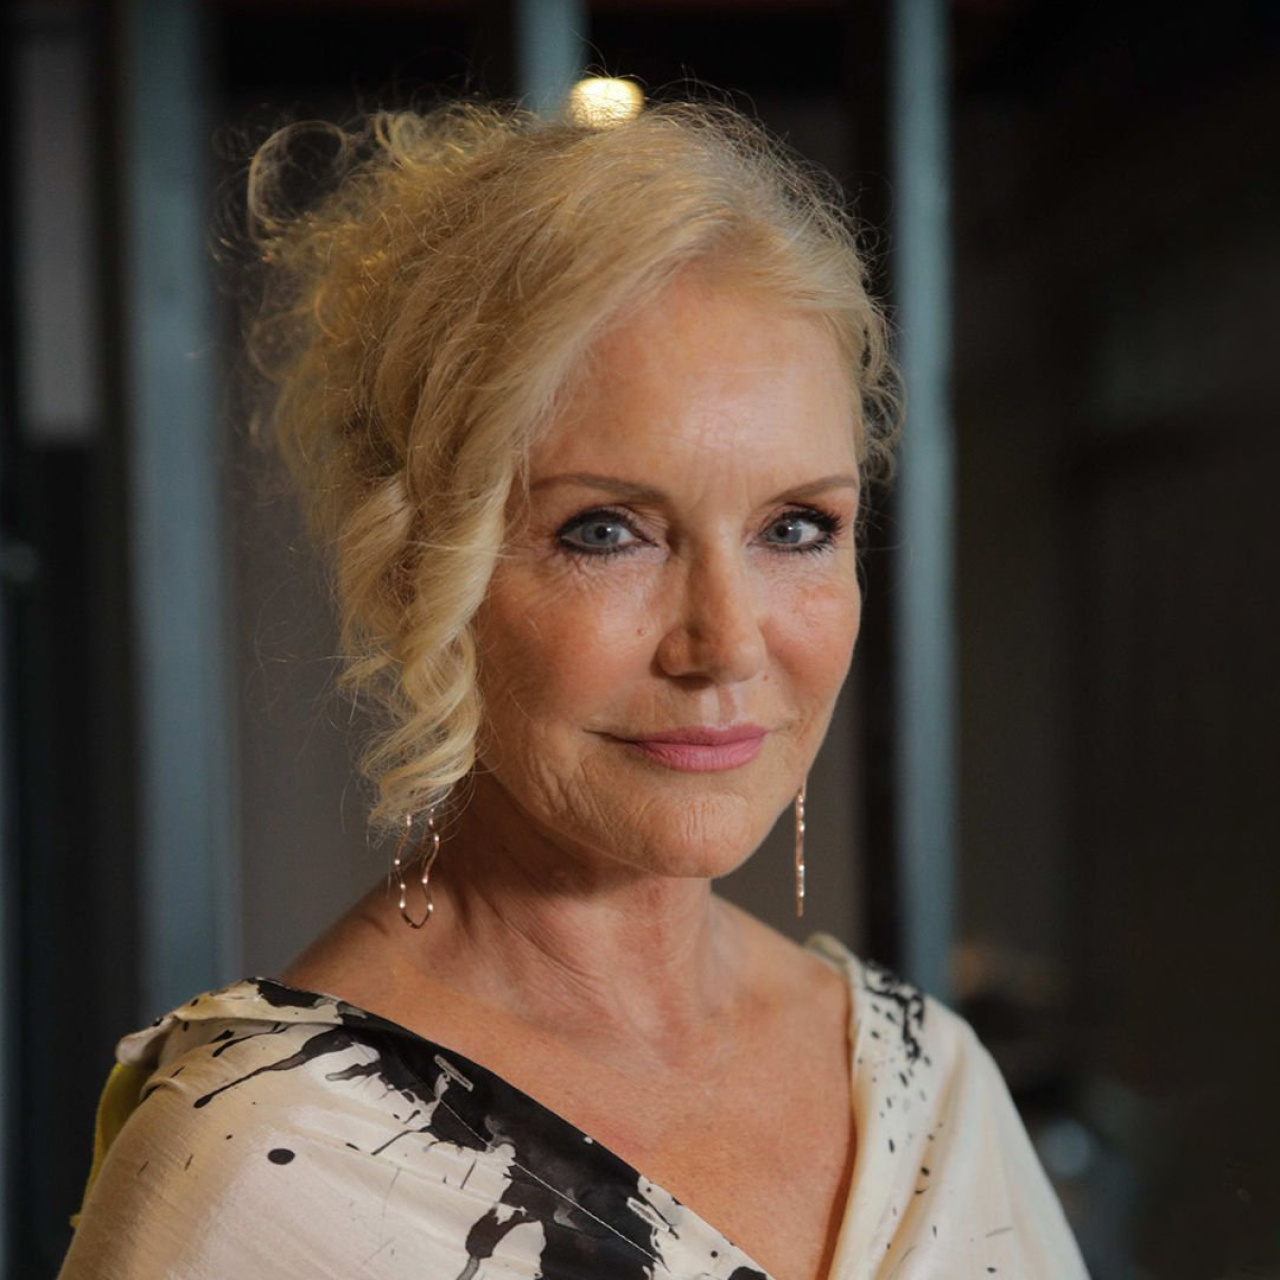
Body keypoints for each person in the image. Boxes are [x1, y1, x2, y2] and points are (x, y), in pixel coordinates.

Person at [59, 102, 1087, 1279]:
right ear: (417, 566)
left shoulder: (927, 1081)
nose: (724, 644)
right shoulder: (266, 1165)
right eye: (605, 530)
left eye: (794, 526)